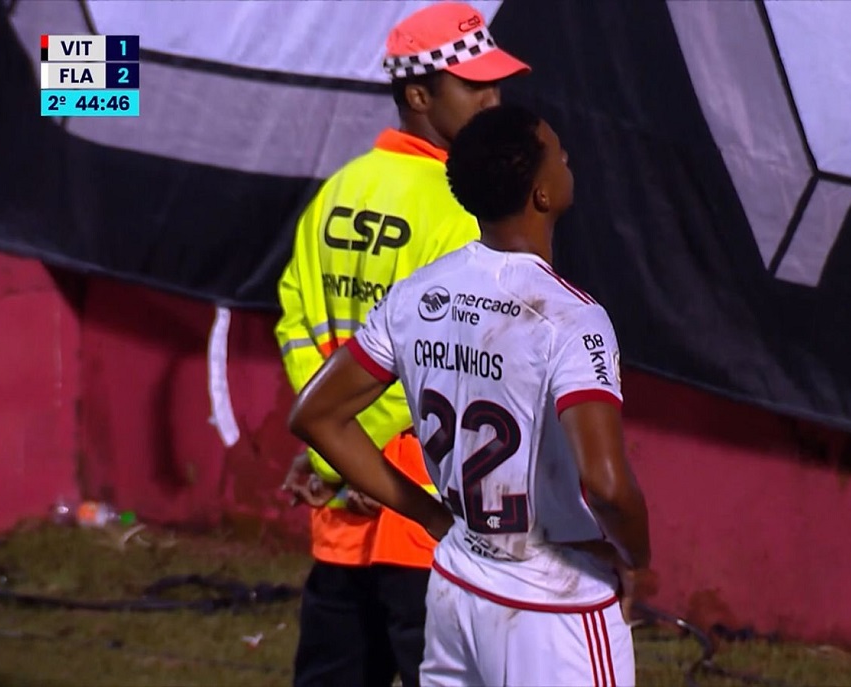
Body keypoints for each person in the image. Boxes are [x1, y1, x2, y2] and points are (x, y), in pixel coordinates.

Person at [287, 104, 656, 686]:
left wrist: (433, 516)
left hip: (458, 583)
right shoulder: (572, 318)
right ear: (541, 194)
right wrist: (637, 556)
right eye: (558, 153)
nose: (567, 159)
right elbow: (609, 486)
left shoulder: (417, 294)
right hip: (552, 603)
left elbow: (316, 416)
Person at [274, 4, 531, 686]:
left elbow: (296, 323)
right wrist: (347, 456)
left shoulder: (338, 190)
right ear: (418, 95)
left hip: (344, 517)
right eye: (473, 86)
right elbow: (442, 358)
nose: (493, 100)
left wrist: (330, 449)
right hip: (426, 516)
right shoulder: (463, 209)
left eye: (497, 84)